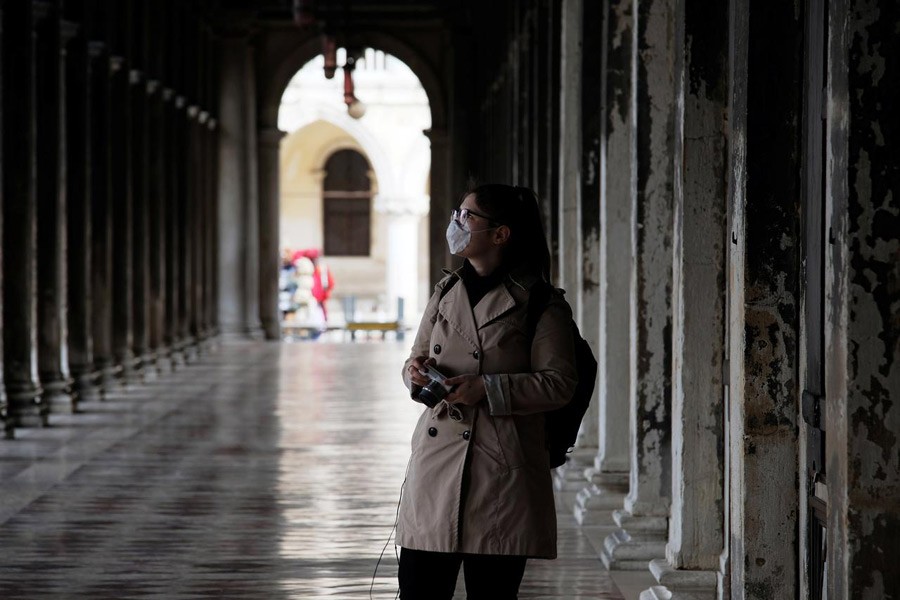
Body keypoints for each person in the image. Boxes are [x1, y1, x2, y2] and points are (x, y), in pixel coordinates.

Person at [397, 184, 578, 599]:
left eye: (467, 217)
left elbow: (560, 383)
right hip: (435, 467)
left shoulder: (540, 303)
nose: (456, 224)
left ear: (500, 234)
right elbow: (415, 358)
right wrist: (416, 374)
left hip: (501, 471)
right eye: (456, 214)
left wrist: (487, 388)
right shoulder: (446, 291)